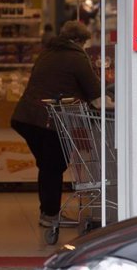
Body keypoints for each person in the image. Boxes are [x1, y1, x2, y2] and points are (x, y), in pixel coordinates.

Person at [10, 20, 101, 228]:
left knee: (48, 166)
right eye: (85, 43)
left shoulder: (47, 52)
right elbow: (94, 93)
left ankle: (48, 212)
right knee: (53, 166)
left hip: (27, 118)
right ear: (78, 40)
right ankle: (50, 215)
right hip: (50, 121)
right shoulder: (77, 57)